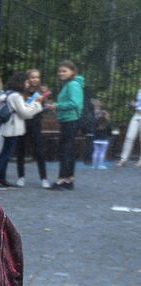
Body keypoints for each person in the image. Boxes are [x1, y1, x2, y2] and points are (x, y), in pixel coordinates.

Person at [0, 72, 44, 189]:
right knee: (5, 155)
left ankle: (1, 180)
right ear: (21, 82)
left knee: (5, 154)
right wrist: (37, 105)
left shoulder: (7, 94)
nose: (27, 84)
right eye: (26, 82)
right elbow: (25, 113)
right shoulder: (16, 96)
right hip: (13, 128)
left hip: (7, 127)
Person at [12, 68, 52, 186]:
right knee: (21, 150)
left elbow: (44, 108)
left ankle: (44, 178)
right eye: (32, 77)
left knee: (39, 150)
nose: (35, 79)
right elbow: (21, 107)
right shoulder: (21, 90)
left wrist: (44, 102)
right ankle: (21, 177)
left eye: (37, 77)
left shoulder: (42, 91)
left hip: (36, 123)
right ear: (28, 79)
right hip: (23, 122)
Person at [53, 59, 84, 189]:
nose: (61, 73)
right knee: (68, 150)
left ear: (73, 71)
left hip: (70, 120)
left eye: (64, 71)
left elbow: (74, 103)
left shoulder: (72, 85)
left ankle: (62, 179)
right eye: (60, 71)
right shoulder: (70, 84)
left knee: (65, 150)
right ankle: (69, 179)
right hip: (69, 119)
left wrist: (57, 105)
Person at [118, 85, 141, 166]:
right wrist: (134, 104)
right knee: (129, 137)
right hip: (136, 114)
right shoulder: (139, 90)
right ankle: (123, 159)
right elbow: (139, 103)